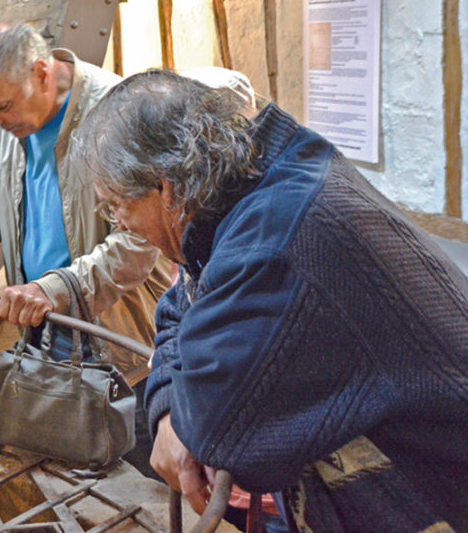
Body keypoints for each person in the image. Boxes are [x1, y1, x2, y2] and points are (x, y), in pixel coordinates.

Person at [79, 69, 468, 530]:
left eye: (117, 203)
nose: (118, 222)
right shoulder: (241, 185)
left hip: (432, 494)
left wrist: (176, 410)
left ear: (164, 188)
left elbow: (213, 432)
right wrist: (166, 413)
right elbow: (177, 305)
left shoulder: (271, 243)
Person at [0, 22, 174, 476]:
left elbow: (140, 240)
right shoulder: (10, 122)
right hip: (46, 335)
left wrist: (55, 288)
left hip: (120, 352)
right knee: (62, 482)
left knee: (134, 491)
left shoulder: (117, 113)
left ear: (42, 73)